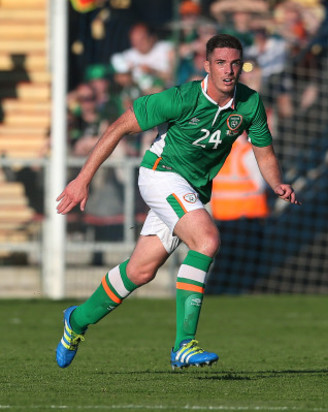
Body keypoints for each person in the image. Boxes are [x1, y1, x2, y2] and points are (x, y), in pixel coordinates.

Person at [55, 34, 300, 370]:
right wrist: (83, 179)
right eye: (220, 63)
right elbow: (118, 126)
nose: (228, 70)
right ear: (206, 66)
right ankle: (184, 344)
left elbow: (264, 150)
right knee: (207, 239)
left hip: (191, 188)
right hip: (160, 173)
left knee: (140, 271)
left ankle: (76, 321)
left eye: (234, 63)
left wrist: (276, 183)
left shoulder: (249, 103)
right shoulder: (182, 98)